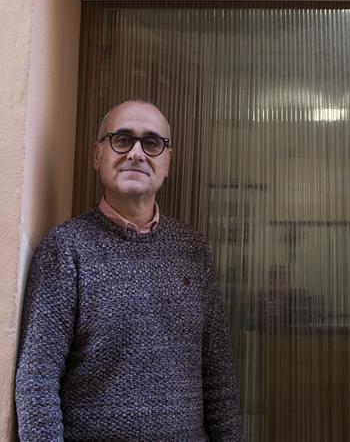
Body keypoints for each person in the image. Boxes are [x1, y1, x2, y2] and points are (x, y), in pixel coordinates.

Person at [14, 100, 243, 442]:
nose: (137, 153)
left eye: (152, 144)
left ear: (167, 161)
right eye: (122, 139)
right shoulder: (65, 249)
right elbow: (37, 380)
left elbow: (218, 380)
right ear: (97, 155)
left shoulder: (193, 250)